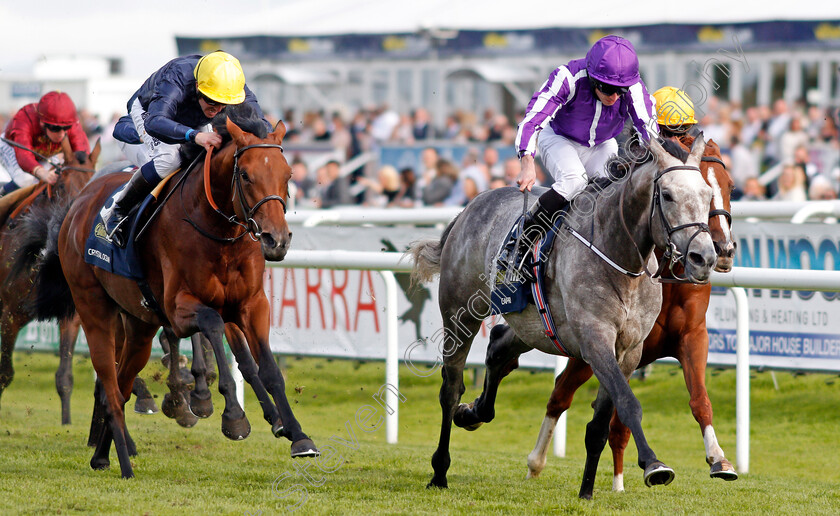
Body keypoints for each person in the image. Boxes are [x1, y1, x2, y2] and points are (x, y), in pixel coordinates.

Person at [512, 35, 657, 276]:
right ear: (592, 77)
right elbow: (532, 119)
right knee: (574, 181)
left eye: (620, 91)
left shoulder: (632, 86)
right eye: (607, 89)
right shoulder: (567, 77)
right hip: (559, 138)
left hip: (601, 143)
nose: (614, 97)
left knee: (611, 192)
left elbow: (649, 129)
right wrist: (527, 162)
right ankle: (521, 242)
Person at [101, 50, 270, 246]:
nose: (217, 110)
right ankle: (117, 210)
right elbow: (156, 121)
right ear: (198, 86)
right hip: (150, 112)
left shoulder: (232, 84)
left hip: (190, 114)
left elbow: (262, 125)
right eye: (212, 101)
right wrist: (195, 135)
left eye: (224, 104)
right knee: (169, 160)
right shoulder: (177, 76)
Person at [0, 91, 90, 197]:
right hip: (12, 148)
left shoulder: (72, 124)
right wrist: (41, 172)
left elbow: (82, 155)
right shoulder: (24, 118)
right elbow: (23, 155)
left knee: (58, 178)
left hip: (46, 154)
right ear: (42, 123)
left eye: (66, 128)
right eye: (55, 128)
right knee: (25, 179)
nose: (61, 134)